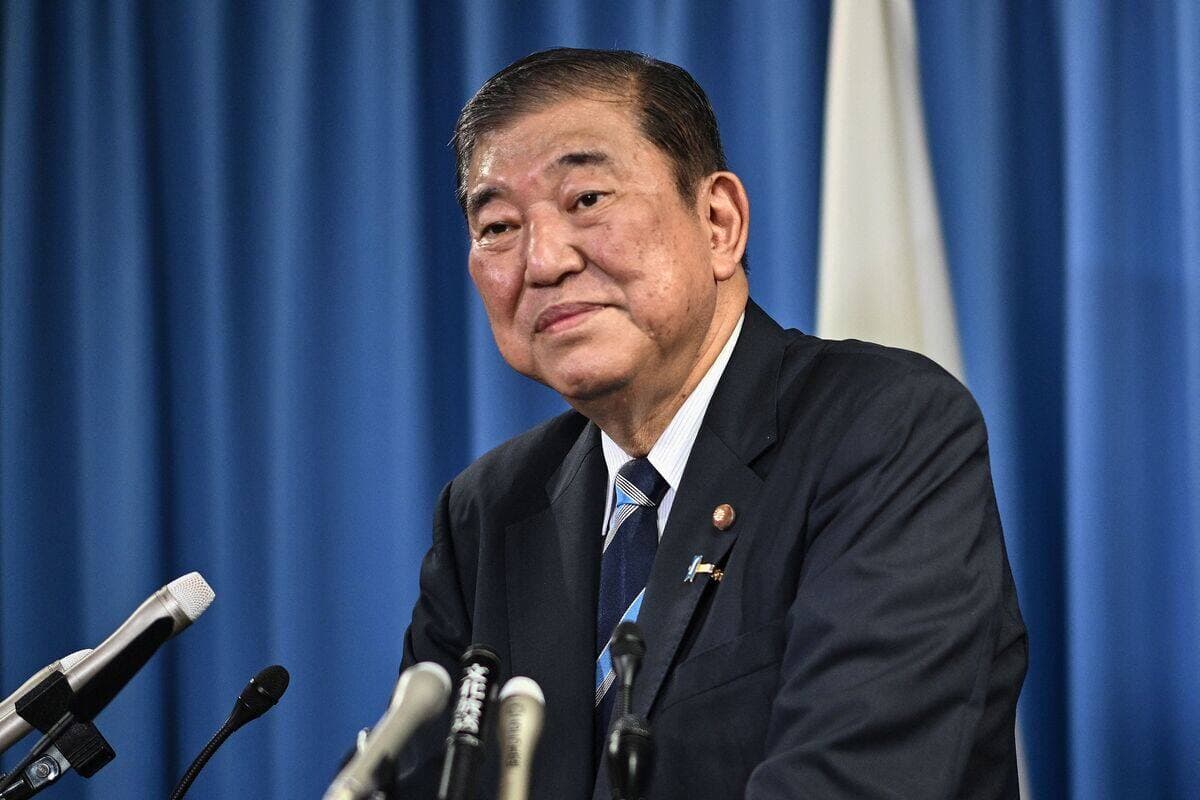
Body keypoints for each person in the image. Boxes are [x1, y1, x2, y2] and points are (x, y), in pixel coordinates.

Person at [394, 48, 1026, 799]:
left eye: (587, 199)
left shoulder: (883, 430)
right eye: (498, 225)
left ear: (719, 222)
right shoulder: (488, 511)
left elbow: (852, 781)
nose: (543, 260)